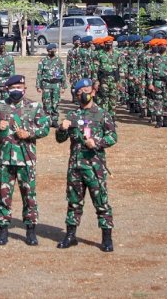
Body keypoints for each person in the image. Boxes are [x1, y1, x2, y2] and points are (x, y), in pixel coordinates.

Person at [56, 78, 117, 252]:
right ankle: (70, 236)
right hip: (75, 167)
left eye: (87, 91)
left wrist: (97, 142)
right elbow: (60, 140)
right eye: (80, 92)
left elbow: (113, 137)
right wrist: (62, 129)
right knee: (74, 202)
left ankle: (107, 238)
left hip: (95, 167)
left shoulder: (103, 114)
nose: (84, 94)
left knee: (101, 202)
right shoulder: (72, 115)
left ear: (94, 92)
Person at [0, 75, 50, 246]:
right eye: (14, 87)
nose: (17, 90)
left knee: (29, 195)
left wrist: (30, 133)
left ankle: (30, 230)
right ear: (8, 89)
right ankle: (2, 230)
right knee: (4, 195)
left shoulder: (34, 106)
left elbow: (45, 127)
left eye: (20, 86)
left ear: (25, 88)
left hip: (26, 158)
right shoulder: (0, 106)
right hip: (6, 159)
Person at [36, 43, 66, 127]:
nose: (53, 51)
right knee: (46, 102)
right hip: (46, 84)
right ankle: (47, 119)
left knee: (56, 102)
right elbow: (39, 73)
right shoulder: (43, 61)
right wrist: (38, 86)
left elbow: (63, 73)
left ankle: (55, 120)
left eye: (54, 50)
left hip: (56, 84)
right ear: (48, 51)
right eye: (51, 50)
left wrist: (64, 86)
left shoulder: (59, 61)